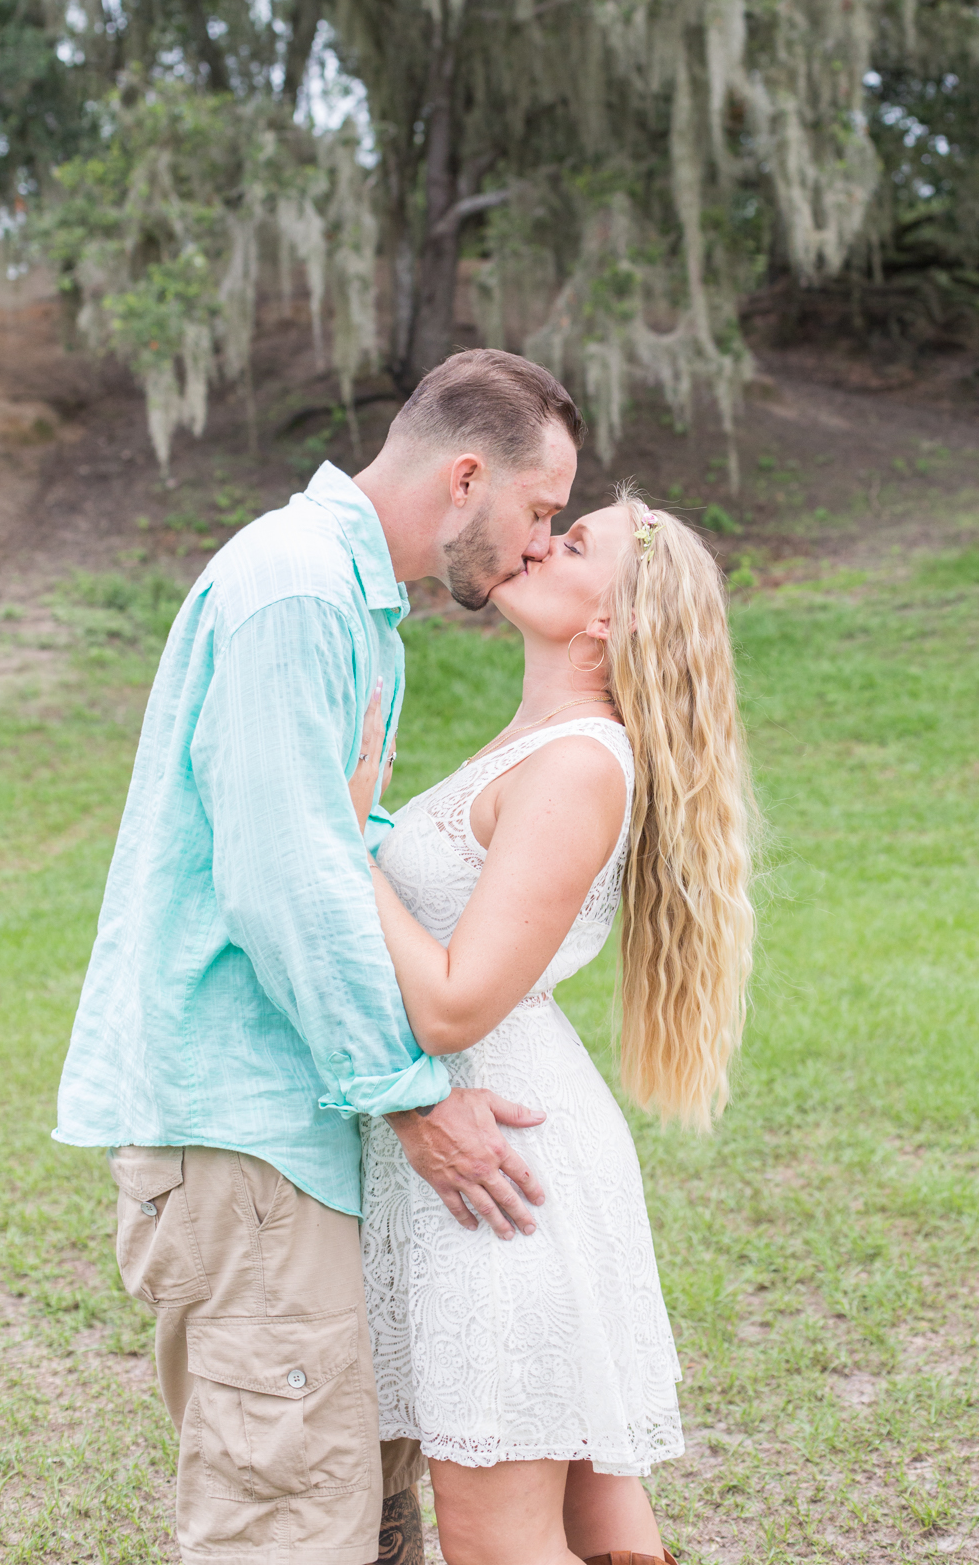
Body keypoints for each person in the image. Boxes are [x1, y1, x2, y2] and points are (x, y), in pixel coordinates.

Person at [55, 350, 585, 1565]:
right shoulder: (294, 590)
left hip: (290, 1136)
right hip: (244, 1141)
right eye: (539, 511)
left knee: (366, 1515)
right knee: (288, 1530)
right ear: (466, 476)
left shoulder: (341, 600)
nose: (536, 545)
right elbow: (287, 875)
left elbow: (329, 837)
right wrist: (413, 1100)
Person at [346, 488, 756, 1565]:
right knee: (601, 1526)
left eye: (572, 543)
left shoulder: (577, 763)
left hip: (499, 1165)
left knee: (494, 1544)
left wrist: (344, 844)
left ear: (611, 623)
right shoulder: (542, 742)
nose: (536, 540)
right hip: (501, 1154)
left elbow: (450, 1003)